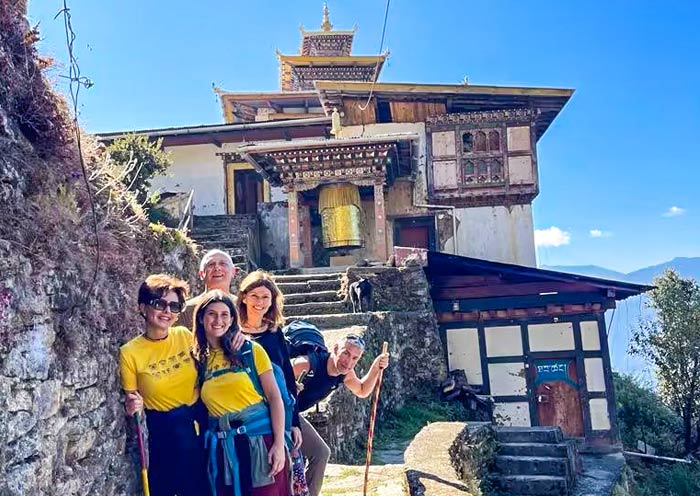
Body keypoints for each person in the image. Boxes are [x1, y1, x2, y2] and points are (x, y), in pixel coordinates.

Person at [193, 290, 291, 496]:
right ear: (201, 318)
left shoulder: (250, 350)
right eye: (211, 314)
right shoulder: (197, 361)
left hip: (261, 444)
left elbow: (275, 398)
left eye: (224, 314)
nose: (218, 320)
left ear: (232, 320)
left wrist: (279, 445)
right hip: (223, 450)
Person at [119, 274, 207, 496]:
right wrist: (132, 406)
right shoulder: (130, 352)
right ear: (142, 308)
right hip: (162, 432)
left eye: (174, 306)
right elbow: (132, 399)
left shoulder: (185, 336)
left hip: (197, 425)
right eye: (159, 304)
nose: (167, 311)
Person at [237, 270, 308, 496]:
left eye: (265, 297)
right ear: (244, 297)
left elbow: (288, 377)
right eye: (255, 296)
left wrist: (295, 420)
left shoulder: (274, 332)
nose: (260, 302)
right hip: (251, 414)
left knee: (307, 459)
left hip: (282, 410)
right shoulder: (232, 332)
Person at [292, 335, 390, 496]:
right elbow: (273, 376)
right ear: (335, 349)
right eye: (346, 353)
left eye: (355, 358)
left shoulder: (344, 373)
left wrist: (376, 368)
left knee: (321, 453)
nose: (349, 362)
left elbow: (362, 390)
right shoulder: (307, 363)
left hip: (293, 415)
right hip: (276, 412)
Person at [179, 249, 238, 330]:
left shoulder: (243, 306)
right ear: (201, 274)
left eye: (223, 263)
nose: (217, 268)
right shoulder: (187, 310)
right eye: (211, 264)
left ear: (233, 272)